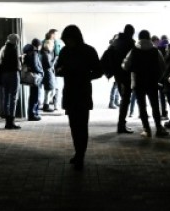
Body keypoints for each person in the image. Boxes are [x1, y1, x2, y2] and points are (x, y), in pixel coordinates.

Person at [54, 25, 104, 170]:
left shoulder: (86, 51)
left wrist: (82, 75)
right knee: (75, 126)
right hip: (74, 92)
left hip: (79, 92)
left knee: (81, 126)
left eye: (68, 40)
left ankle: (80, 155)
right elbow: (57, 69)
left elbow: (99, 71)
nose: (66, 43)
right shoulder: (73, 51)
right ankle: (78, 153)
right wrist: (63, 71)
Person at [121, 30, 168, 138]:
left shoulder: (133, 51)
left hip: (138, 82)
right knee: (155, 106)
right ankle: (159, 128)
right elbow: (163, 66)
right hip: (152, 82)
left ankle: (147, 130)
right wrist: (158, 77)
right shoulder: (155, 51)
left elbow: (125, 66)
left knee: (142, 106)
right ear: (149, 37)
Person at [101, 24, 136, 133]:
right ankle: (121, 125)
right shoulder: (130, 43)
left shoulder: (116, 42)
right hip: (126, 75)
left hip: (117, 74)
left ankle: (121, 124)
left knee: (124, 99)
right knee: (125, 100)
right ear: (132, 33)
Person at [0, 33, 23, 129]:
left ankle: (7, 121)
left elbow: (0, 61)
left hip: (4, 75)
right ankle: (11, 121)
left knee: (6, 97)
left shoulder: (3, 48)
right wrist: (21, 60)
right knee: (13, 97)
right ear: (16, 41)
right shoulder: (14, 48)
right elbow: (17, 65)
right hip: (13, 74)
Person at [22, 38, 45, 121]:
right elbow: (35, 65)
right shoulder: (34, 53)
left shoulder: (28, 51)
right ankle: (33, 114)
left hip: (32, 76)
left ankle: (32, 113)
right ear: (38, 45)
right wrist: (41, 72)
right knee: (35, 96)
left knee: (33, 95)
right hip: (35, 76)